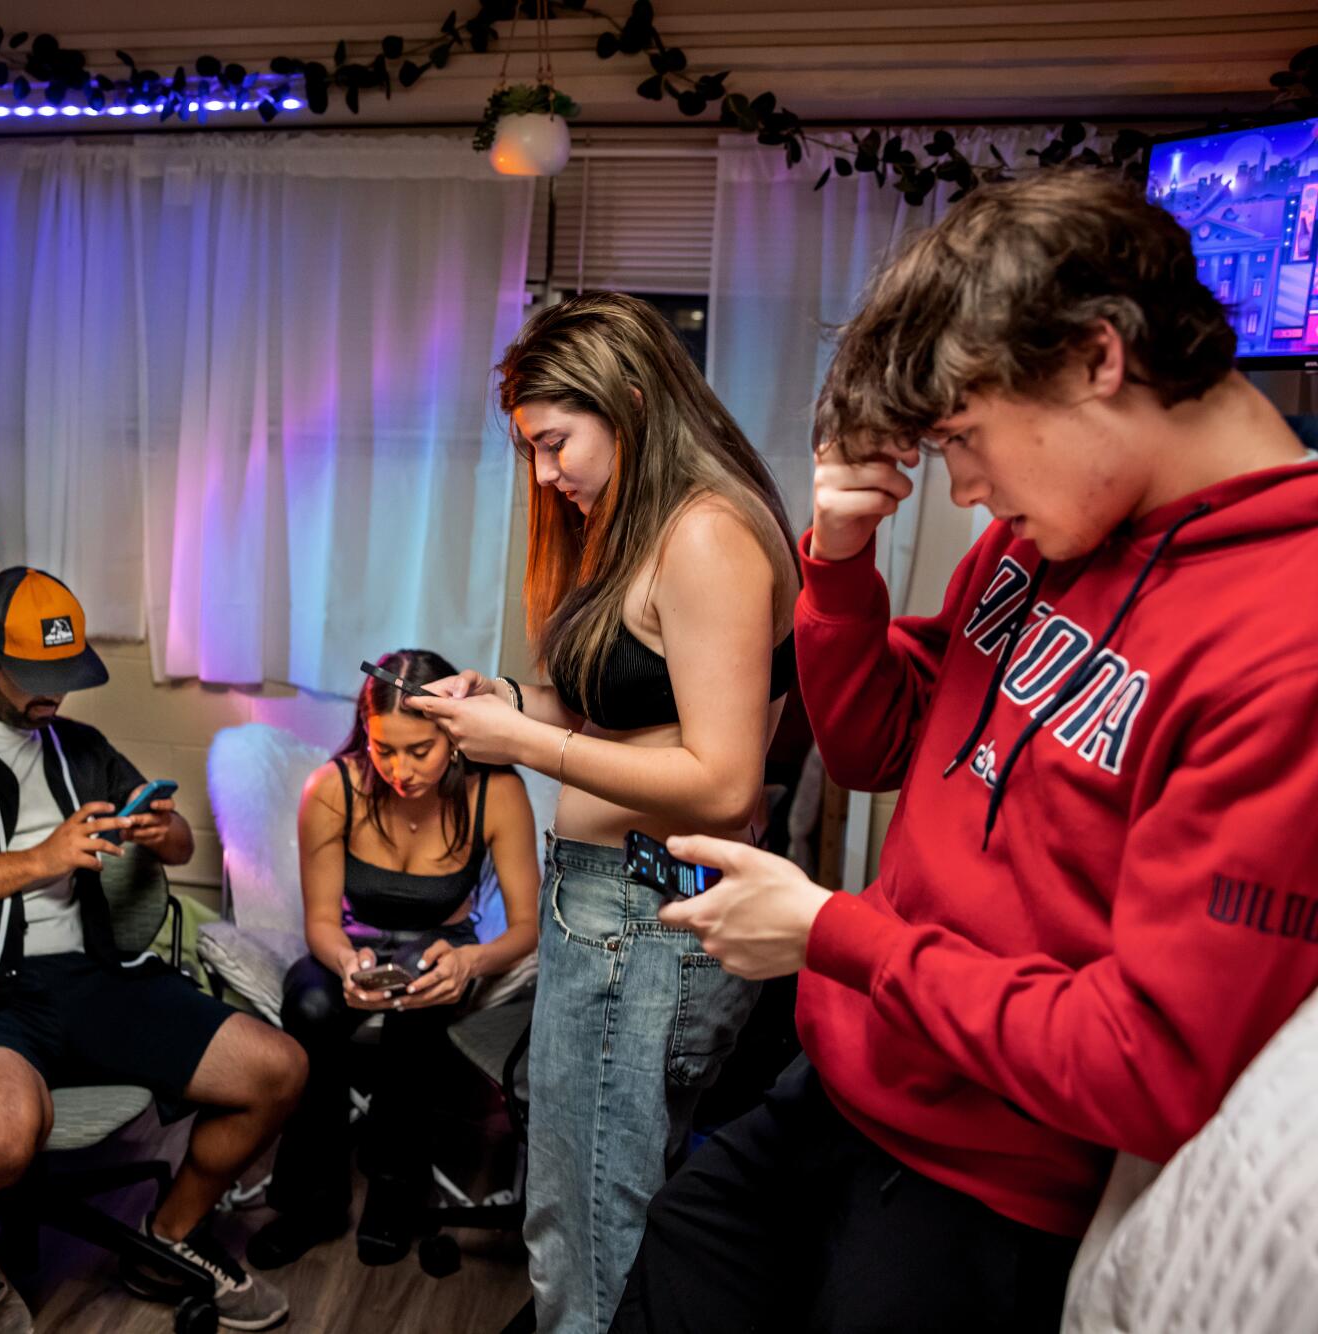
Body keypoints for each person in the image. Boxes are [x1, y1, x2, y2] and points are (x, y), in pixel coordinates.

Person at [609, 171, 1318, 1333]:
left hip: (984, 1182)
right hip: (840, 1079)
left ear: (1098, 358)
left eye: (965, 437)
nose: (966, 487)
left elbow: (1144, 1064)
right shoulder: (1041, 542)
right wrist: (836, 565)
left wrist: (831, 930)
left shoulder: (1282, 634)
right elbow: (879, 741)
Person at [409, 292, 802, 1333]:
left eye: (554, 442)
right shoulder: (648, 525)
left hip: (643, 918)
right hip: (614, 911)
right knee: (575, 1213)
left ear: (628, 400)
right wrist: (505, 701)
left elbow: (722, 778)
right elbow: (630, 714)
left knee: (592, 1228)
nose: (545, 474)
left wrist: (524, 745)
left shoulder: (706, 534)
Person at [0, 566, 306, 1334]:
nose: (53, 695)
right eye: (34, 676)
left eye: (65, 676)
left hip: (90, 979)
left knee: (277, 1069)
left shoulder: (77, 745)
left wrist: (165, 832)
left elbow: (176, 834)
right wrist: (38, 861)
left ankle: (169, 1235)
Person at [247, 648, 540, 1271]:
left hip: (444, 945)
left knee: (418, 1004)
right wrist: (348, 964)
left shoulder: (498, 791)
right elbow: (321, 923)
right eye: (385, 748)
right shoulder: (333, 788)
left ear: (454, 736)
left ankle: (395, 1189)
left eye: (419, 751)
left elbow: (526, 930)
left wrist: (473, 963)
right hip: (351, 943)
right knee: (311, 1002)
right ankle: (310, 1199)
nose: (400, 770)